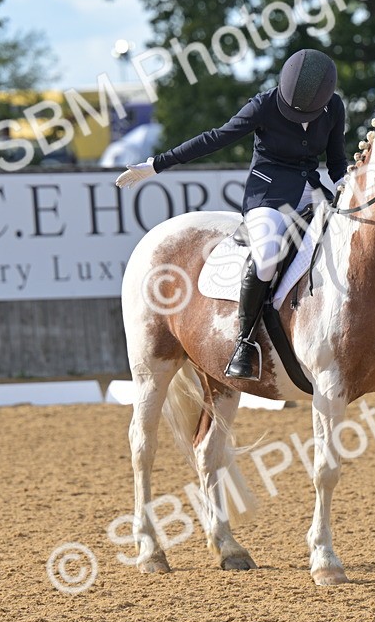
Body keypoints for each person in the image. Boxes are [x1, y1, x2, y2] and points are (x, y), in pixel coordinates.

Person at [115, 49, 348, 380]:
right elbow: (215, 138)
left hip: (312, 191)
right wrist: (157, 164)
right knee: (266, 257)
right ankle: (245, 342)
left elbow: (336, 160)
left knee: (353, 240)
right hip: (269, 194)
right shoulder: (264, 105)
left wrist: (343, 184)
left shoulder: (334, 106)